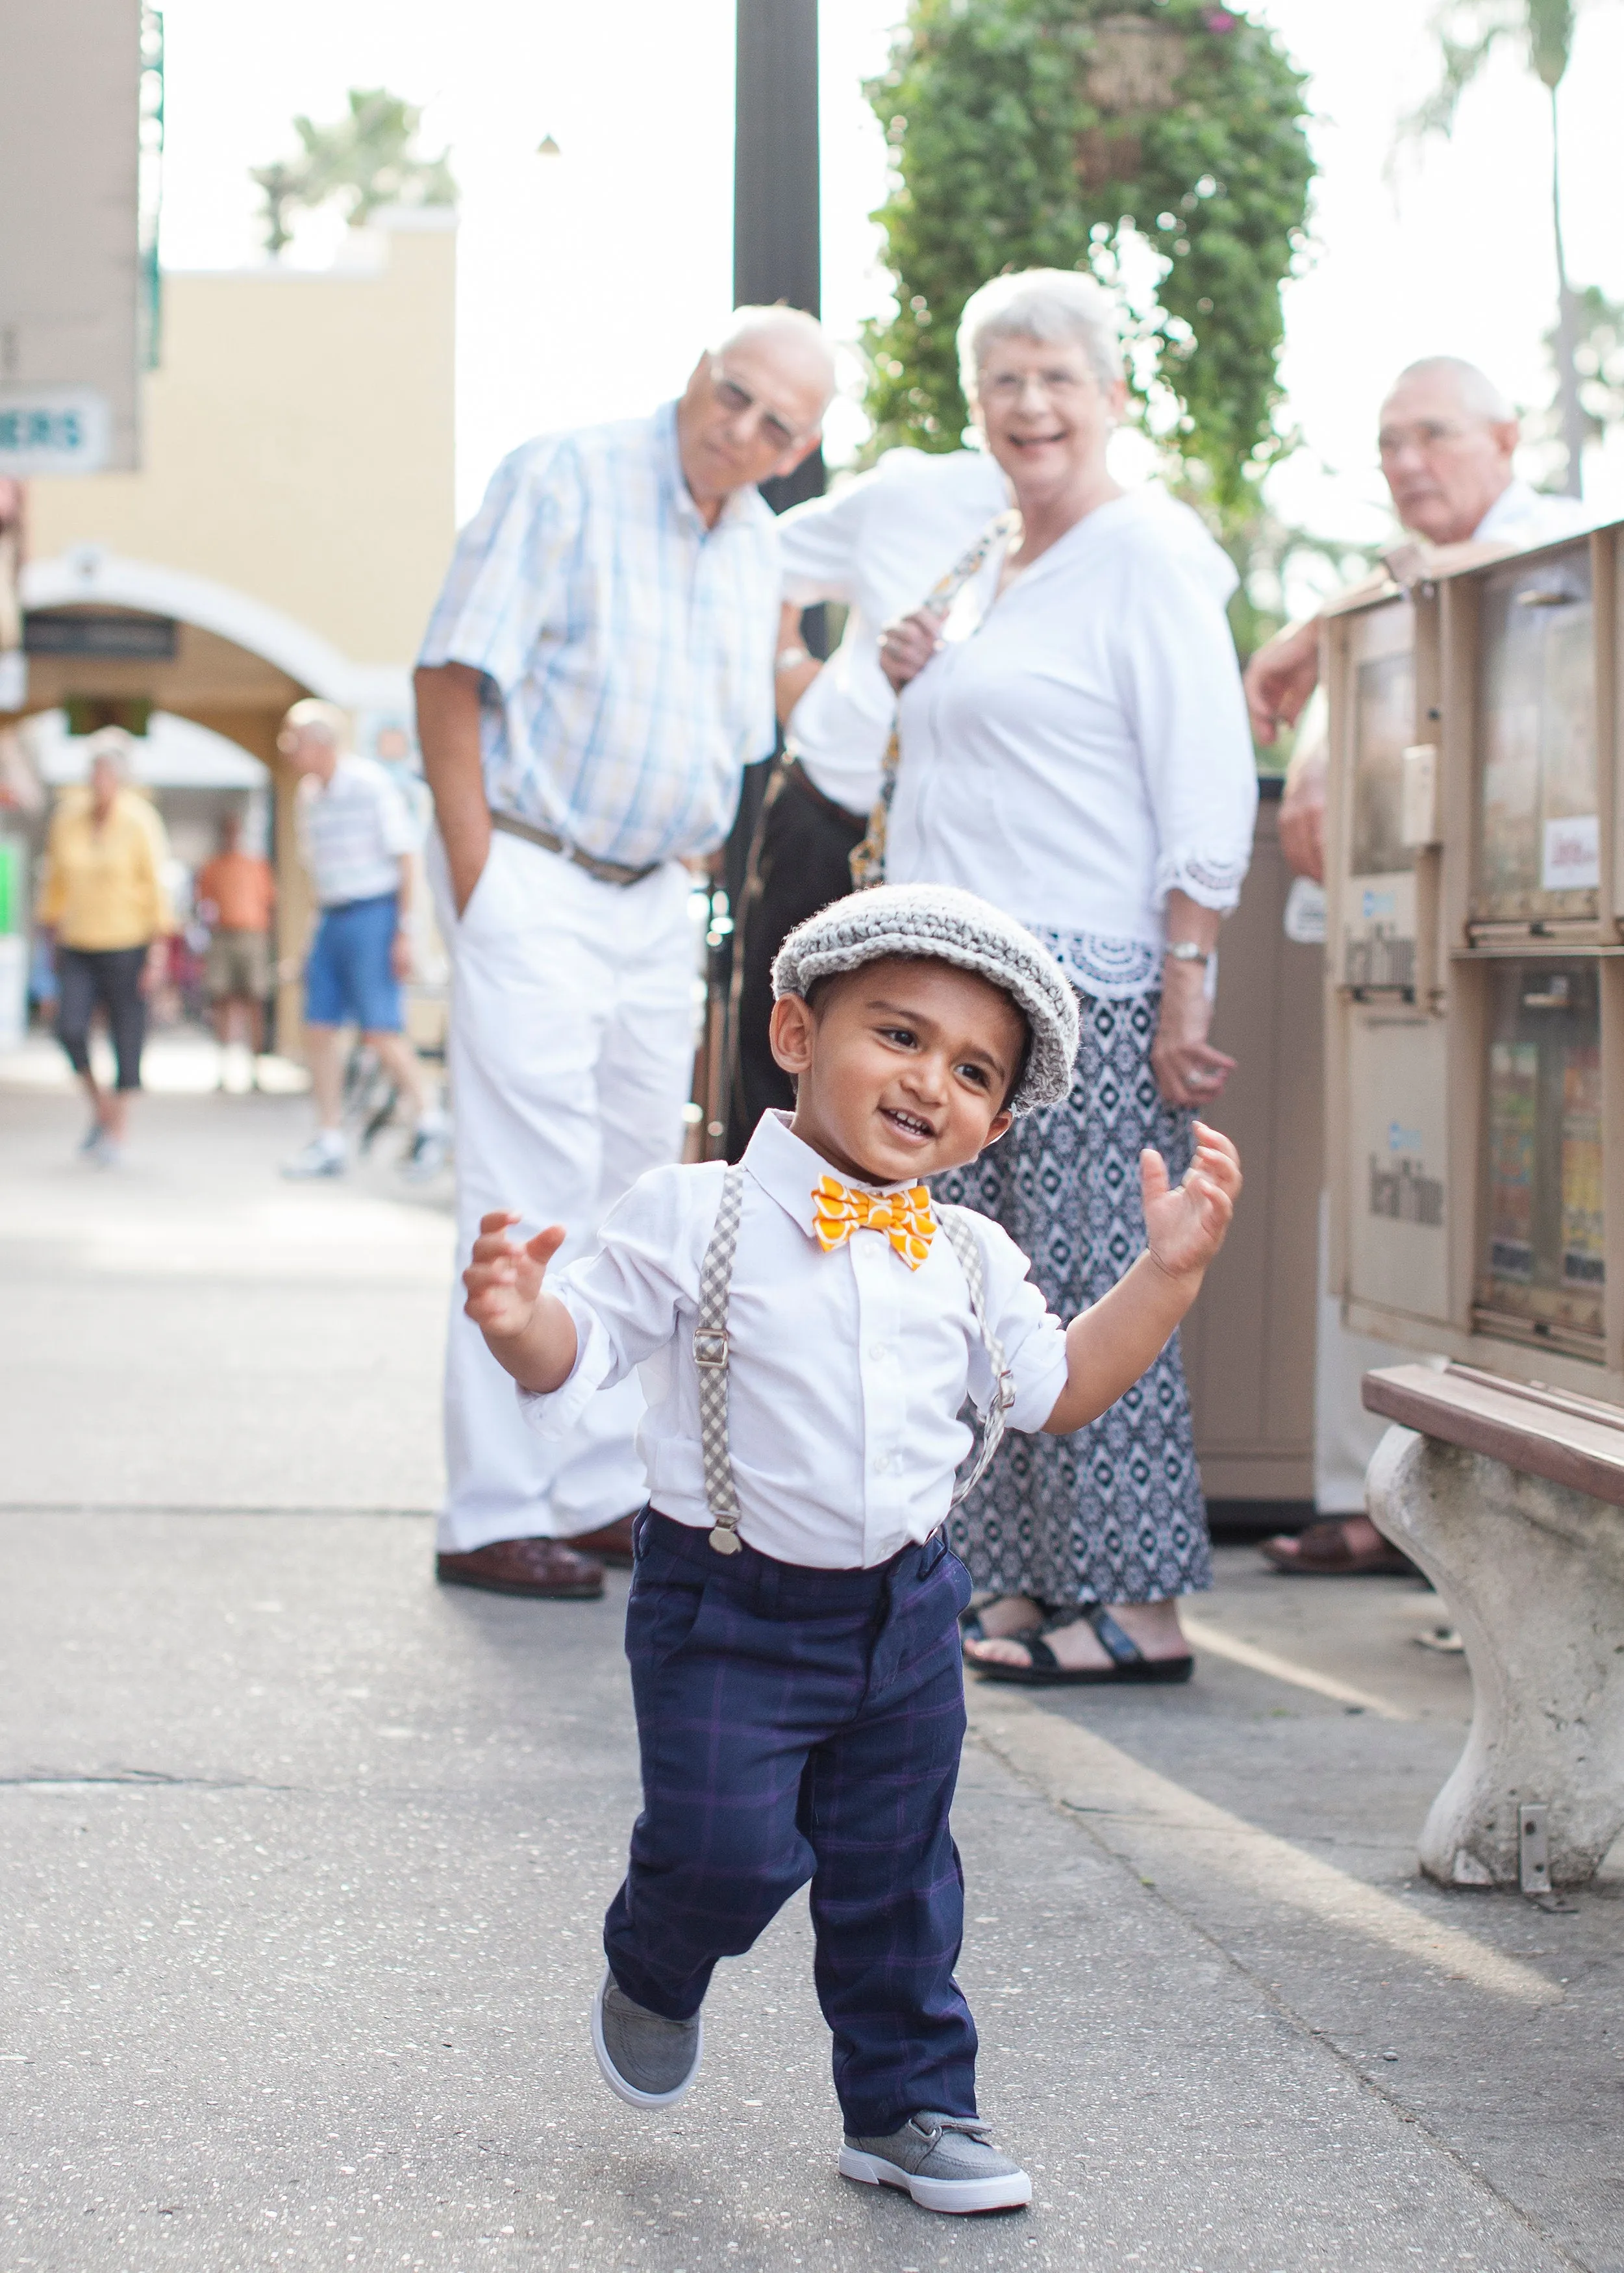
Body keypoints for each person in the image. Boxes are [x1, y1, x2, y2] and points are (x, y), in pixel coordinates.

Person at [460, 884, 1242, 2212]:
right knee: (723, 1850)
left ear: (995, 1119)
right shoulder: (688, 1210)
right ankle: (657, 1958)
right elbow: (577, 1349)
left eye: (972, 1070)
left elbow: (1058, 1390)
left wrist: (1162, 1277)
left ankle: (908, 2105)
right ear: (792, 1031)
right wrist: (521, 1318)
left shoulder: (973, 1255)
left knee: (896, 1879)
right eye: (896, 1034)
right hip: (724, 1604)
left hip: (904, 1617)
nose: (928, 1080)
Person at [414, 306, 836, 1604]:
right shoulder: (566, 474)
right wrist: (481, 872)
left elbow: (740, 720)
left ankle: (592, 1486)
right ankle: (491, 1505)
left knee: (628, 1194)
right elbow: (448, 672)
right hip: (535, 869)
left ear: (796, 448)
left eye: (778, 423)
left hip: (653, 899)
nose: (742, 427)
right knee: (522, 1183)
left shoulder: (756, 541)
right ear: (697, 371)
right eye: (733, 392)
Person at [875, 270, 1257, 1681]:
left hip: (1084, 986)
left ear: (1107, 396)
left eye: (1053, 378)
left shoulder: (1143, 551)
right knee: (989, 1294)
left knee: (1103, 1283)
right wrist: (923, 665)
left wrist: (1185, 983)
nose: (1027, 405)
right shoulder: (989, 564)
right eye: (1001, 382)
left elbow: (1201, 780)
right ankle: (1025, 1578)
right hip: (965, 996)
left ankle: (1139, 1602)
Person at [1245, 356, 1594, 1576]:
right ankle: (1374, 1500)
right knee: (1377, 1219)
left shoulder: (1554, 544)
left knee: (1525, 1242)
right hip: (1405, 968)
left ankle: (1503, 1534)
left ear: (1504, 438)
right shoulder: (1384, 597)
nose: (1406, 464)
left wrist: (1306, 633)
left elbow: (1473, 605)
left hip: (1544, 967)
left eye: (1433, 436)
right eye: (1389, 442)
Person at [728, 444, 1012, 1142]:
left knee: (925, 1097)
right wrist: (794, 677)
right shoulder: (909, 492)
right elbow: (752, 563)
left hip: (973, 858)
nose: (1033, 406)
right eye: (1007, 377)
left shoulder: (1105, 541)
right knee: (779, 1073)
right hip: (831, 820)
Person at [277, 699, 446, 1183]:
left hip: (375, 913)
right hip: (333, 916)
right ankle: (329, 1137)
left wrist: (404, 932)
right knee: (319, 1028)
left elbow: (405, 857)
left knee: (379, 1030)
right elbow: (317, 873)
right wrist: (313, 940)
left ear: (320, 743)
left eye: (294, 741)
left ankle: (429, 1119)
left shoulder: (371, 784)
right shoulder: (309, 795)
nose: (288, 750)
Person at [37, 729, 174, 1167]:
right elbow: (55, 882)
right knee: (70, 1030)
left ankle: (118, 1127)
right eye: (93, 770)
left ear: (121, 777)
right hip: (78, 941)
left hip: (128, 942)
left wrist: (157, 953)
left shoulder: (140, 820)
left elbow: (156, 886)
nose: (98, 779)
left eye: (106, 771)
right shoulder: (67, 817)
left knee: (126, 1037)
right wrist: (49, 937)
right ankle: (101, 1109)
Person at [195, 810, 275, 1080]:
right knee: (222, 1001)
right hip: (223, 937)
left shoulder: (256, 866)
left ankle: (256, 1071)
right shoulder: (213, 867)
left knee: (255, 1001)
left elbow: (270, 903)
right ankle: (224, 1070)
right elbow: (203, 905)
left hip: (253, 936)